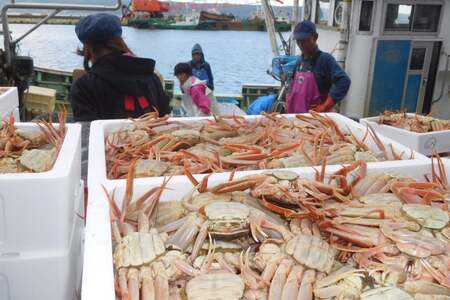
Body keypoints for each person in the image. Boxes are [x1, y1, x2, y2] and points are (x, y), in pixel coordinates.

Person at [70, 13, 170, 122]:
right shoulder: (152, 77)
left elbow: (87, 131)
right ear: (119, 40)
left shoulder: (83, 86)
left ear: (87, 47)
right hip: (153, 137)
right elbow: (166, 118)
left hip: (108, 139)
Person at [286, 20, 351, 113]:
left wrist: (325, 106)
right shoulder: (299, 61)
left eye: (304, 40)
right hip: (297, 118)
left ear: (315, 37)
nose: (301, 45)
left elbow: (344, 81)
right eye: (298, 41)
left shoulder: (325, 59)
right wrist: (288, 98)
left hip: (317, 119)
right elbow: (291, 82)